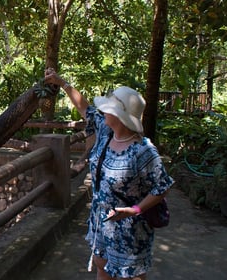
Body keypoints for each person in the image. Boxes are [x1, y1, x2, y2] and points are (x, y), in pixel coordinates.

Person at [44, 68, 174, 280]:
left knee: (131, 275)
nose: (103, 111)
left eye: (109, 109)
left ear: (121, 117)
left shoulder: (143, 151)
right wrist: (62, 83)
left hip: (130, 229)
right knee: (101, 266)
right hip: (102, 221)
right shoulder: (106, 132)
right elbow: (84, 107)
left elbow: (163, 186)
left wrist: (135, 210)